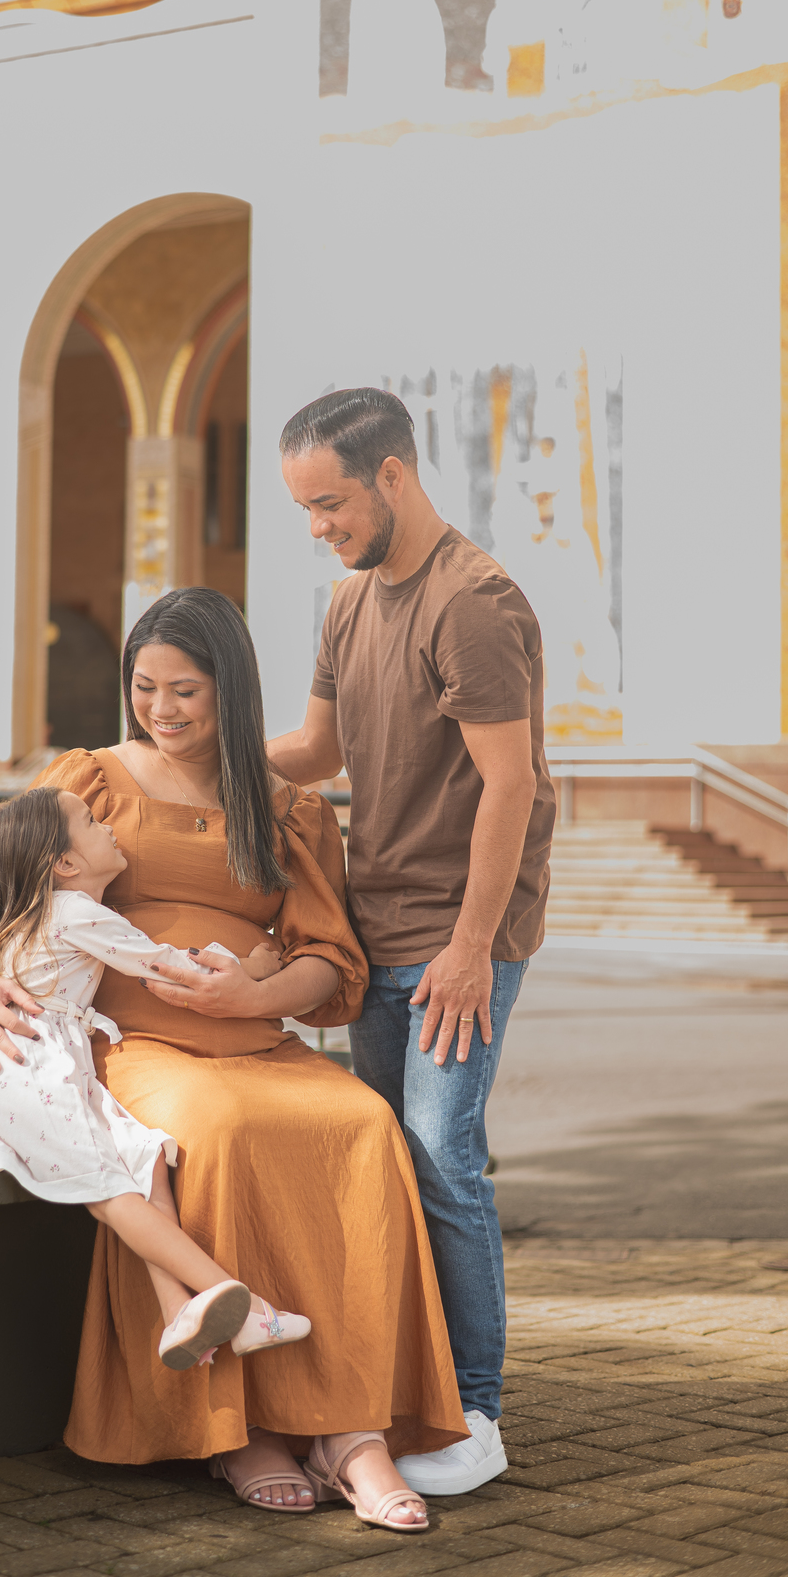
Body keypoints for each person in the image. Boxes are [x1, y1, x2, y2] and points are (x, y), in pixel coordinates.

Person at [0, 587, 466, 1531]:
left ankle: (351, 1435)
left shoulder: (285, 808)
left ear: (229, 689)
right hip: (137, 1044)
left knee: (360, 1126)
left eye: (185, 690)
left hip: (259, 1039)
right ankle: (244, 1430)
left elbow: (328, 959)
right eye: (145, 688)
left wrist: (255, 994)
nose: (162, 709)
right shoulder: (89, 781)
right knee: (217, 1132)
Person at [271, 387, 556, 1496]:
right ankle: (405, 1380)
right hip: (374, 921)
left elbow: (511, 784)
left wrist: (472, 945)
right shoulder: (349, 605)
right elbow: (315, 747)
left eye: (330, 503)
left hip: (457, 938)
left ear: (393, 474)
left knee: (443, 1157)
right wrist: (176, 757)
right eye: (303, 508)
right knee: (384, 1158)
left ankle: (474, 1412)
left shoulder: (476, 603)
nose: (319, 528)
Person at [0, 783, 310, 1369]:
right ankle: (247, 1311)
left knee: (142, 1161)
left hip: (18, 1070)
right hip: (29, 1072)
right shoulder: (75, 913)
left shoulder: (37, 915)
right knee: (111, 1192)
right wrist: (255, 968)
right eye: (93, 822)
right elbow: (166, 968)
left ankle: (179, 1315)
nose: (111, 827)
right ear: (65, 862)